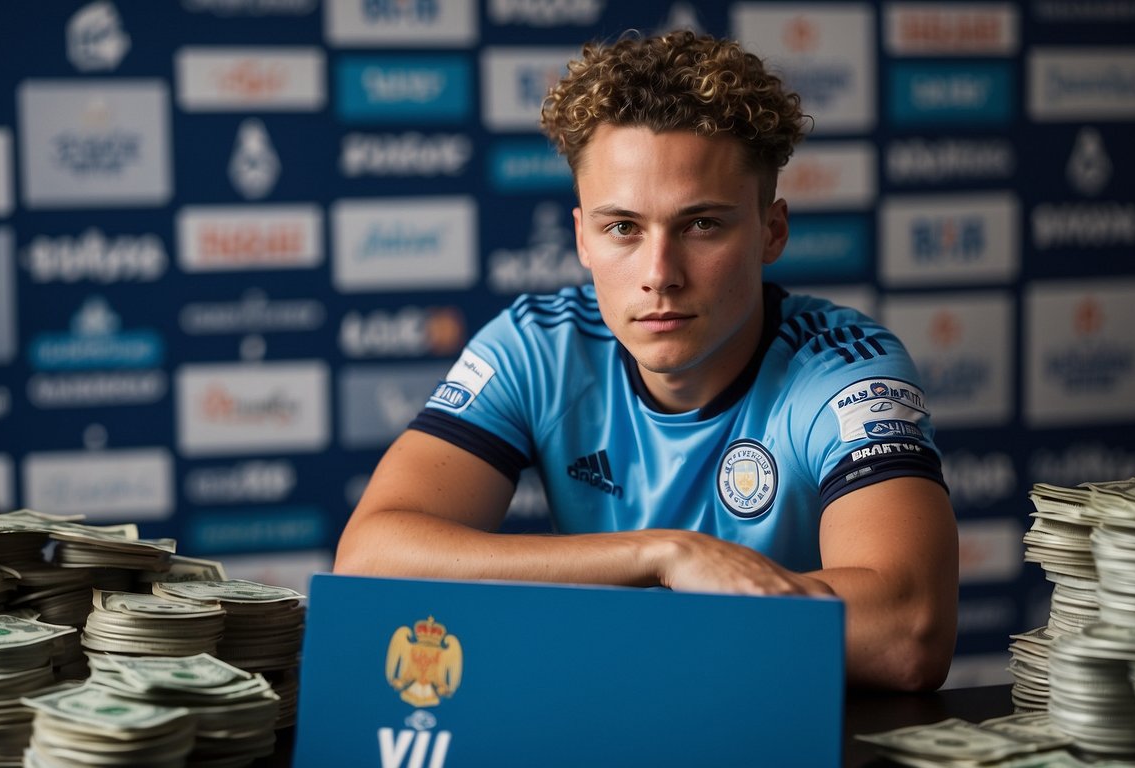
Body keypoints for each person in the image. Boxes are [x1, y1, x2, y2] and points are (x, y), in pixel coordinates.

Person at [334, 29, 958, 692]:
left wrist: (618, 613)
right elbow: (370, 563)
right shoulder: (538, 346)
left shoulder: (842, 367)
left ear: (770, 230)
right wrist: (665, 556)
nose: (659, 275)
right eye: (623, 228)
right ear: (582, 236)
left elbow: (907, 631)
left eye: (701, 225)